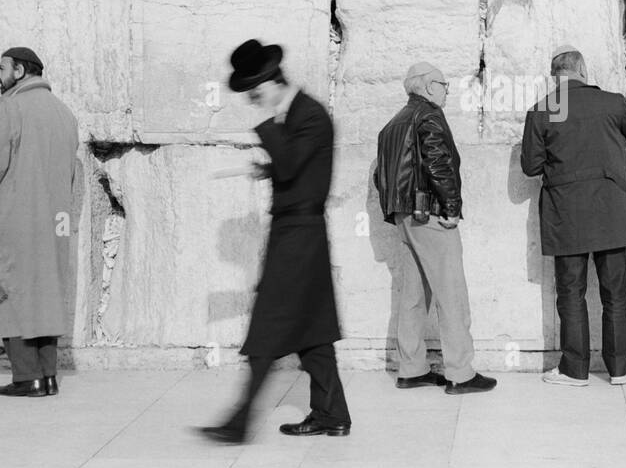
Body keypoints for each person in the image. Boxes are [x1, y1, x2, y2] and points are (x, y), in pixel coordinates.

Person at [198, 39, 351, 443]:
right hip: (298, 233)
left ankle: (239, 423)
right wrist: (269, 169)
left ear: (270, 81)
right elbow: (296, 169)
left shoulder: (308, 114)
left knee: (268, 325)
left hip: (299, 236)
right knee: (313, 331)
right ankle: (332, 414)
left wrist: (268, 123)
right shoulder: (298, 115)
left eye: (255, 93)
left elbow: (290, 164)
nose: (253, 100)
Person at [520, 47, 626, 386]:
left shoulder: (543, 110)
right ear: (583, 70)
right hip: (611, 211)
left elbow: (530, 166)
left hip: (566, 213)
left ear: (554, 76)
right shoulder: (611, 102)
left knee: (571, 292)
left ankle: (575, 370)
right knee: (615, 291)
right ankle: (619, 370)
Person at [0, 47, 83, 398]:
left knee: (10, 292)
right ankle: (47, 377)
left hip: (12, 221)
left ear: (18, 70)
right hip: (54, 222)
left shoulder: (7, 110)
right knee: (45, 293)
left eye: (1, 68)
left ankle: (26, 377)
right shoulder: (64, 114)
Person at [374, 63, 497, 396]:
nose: (447, 90)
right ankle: (460, 372)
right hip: (430, 214)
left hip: (404, 218)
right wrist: (452, 207)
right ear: (428, 87)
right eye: (444, 84)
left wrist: (394, 212)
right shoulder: (429, 116)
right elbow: (438, 163)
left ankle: (411, 369)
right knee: (451, 294)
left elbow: (380, 177)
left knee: (413, 296)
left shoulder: (392, 124)